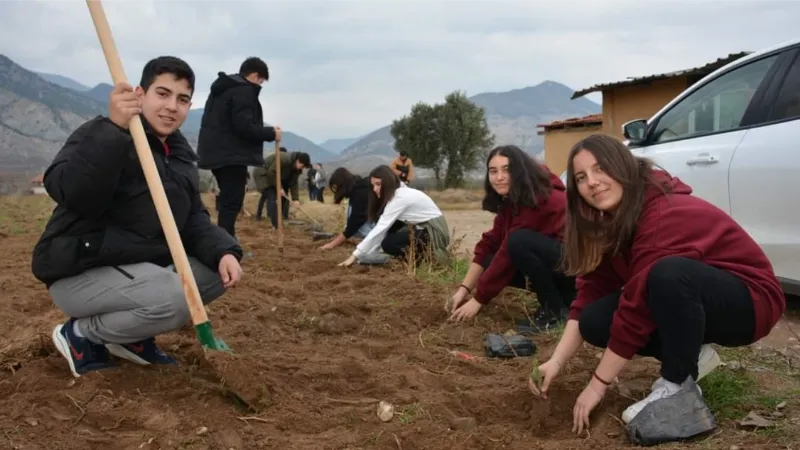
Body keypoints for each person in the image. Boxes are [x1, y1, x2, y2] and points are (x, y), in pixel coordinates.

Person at [527, 134, 785, 435]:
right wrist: (556, 362)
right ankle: (689, 351)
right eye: (581, 177)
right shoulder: (609, 220)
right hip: (695, 299)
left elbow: (637, 306)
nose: (592, 182)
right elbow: (590, 292)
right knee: (595, 320)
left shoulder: (663, 210)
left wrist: (597, 386)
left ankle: (677, 384)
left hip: (751, 302)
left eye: (600, 169)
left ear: (623, 166)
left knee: (666, 275)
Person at [30, 56, 244, 378]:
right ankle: (81, 335)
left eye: (182, 99)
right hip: (79, 268)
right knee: (175, 297)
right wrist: (114, 130)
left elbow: (191, 219)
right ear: (140, 95)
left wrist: (224, 250)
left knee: (214, 272)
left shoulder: (179, 155)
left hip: (132, 266)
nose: (172, 106)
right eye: (163, 93)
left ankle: (130, 338)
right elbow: (71, 192)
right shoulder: (103, 132)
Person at [448, 145, 572, 326]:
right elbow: (490, 243)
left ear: (520, 171)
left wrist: (478, 300)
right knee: (491, 259)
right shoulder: (514, 200)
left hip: (578, 271)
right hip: (558, 265)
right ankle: (560, 301)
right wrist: (463, 290)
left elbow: (508, 252)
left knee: (518, 242)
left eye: (507, 170)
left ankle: (554, 310)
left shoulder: (539, 198)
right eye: (493, 171)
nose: (499, 177)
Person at [196, 56, 282, 239]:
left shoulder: (222, 89)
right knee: (231, 203)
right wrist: (271, 133)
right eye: (261, 81)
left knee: (228, 202)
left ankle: (227, 241)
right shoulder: (243, 91)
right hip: (231, 155)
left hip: (215, 153)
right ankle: (225, 245)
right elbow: (244, 126)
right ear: (255, 75)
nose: (260, 85)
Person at [338, 165, 450, 267]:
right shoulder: (399, 192)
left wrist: (354, 256)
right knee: (391, 230)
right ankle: (411, 259)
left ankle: (421, 260)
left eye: (378, 184)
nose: (375, 189)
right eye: (373, 185)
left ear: (388, 182)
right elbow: (384, 230)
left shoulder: (398, 198)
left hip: (435, 232)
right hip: (424, 229)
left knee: (389, 243)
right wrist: (367, 253)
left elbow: (380, 230)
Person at [252, 149, 311, 228]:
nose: (302, 168)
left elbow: (293, 183)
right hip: (263, 173)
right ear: (298, 161)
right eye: (302, 166)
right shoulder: (283, 159)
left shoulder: (296, 169)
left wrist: (295, 199)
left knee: (283, 197)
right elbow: (271, 172)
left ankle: (280, 219)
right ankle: (276, 225)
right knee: (272, 196)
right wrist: (279, 188)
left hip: (275, 177)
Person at [319, 167, 374, 250]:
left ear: (343, 185)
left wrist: (332, 244)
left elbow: (354, 224)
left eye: (337, 188)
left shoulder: (361, 195)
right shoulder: (356, 190)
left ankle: (369, 238)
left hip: (376, 226)